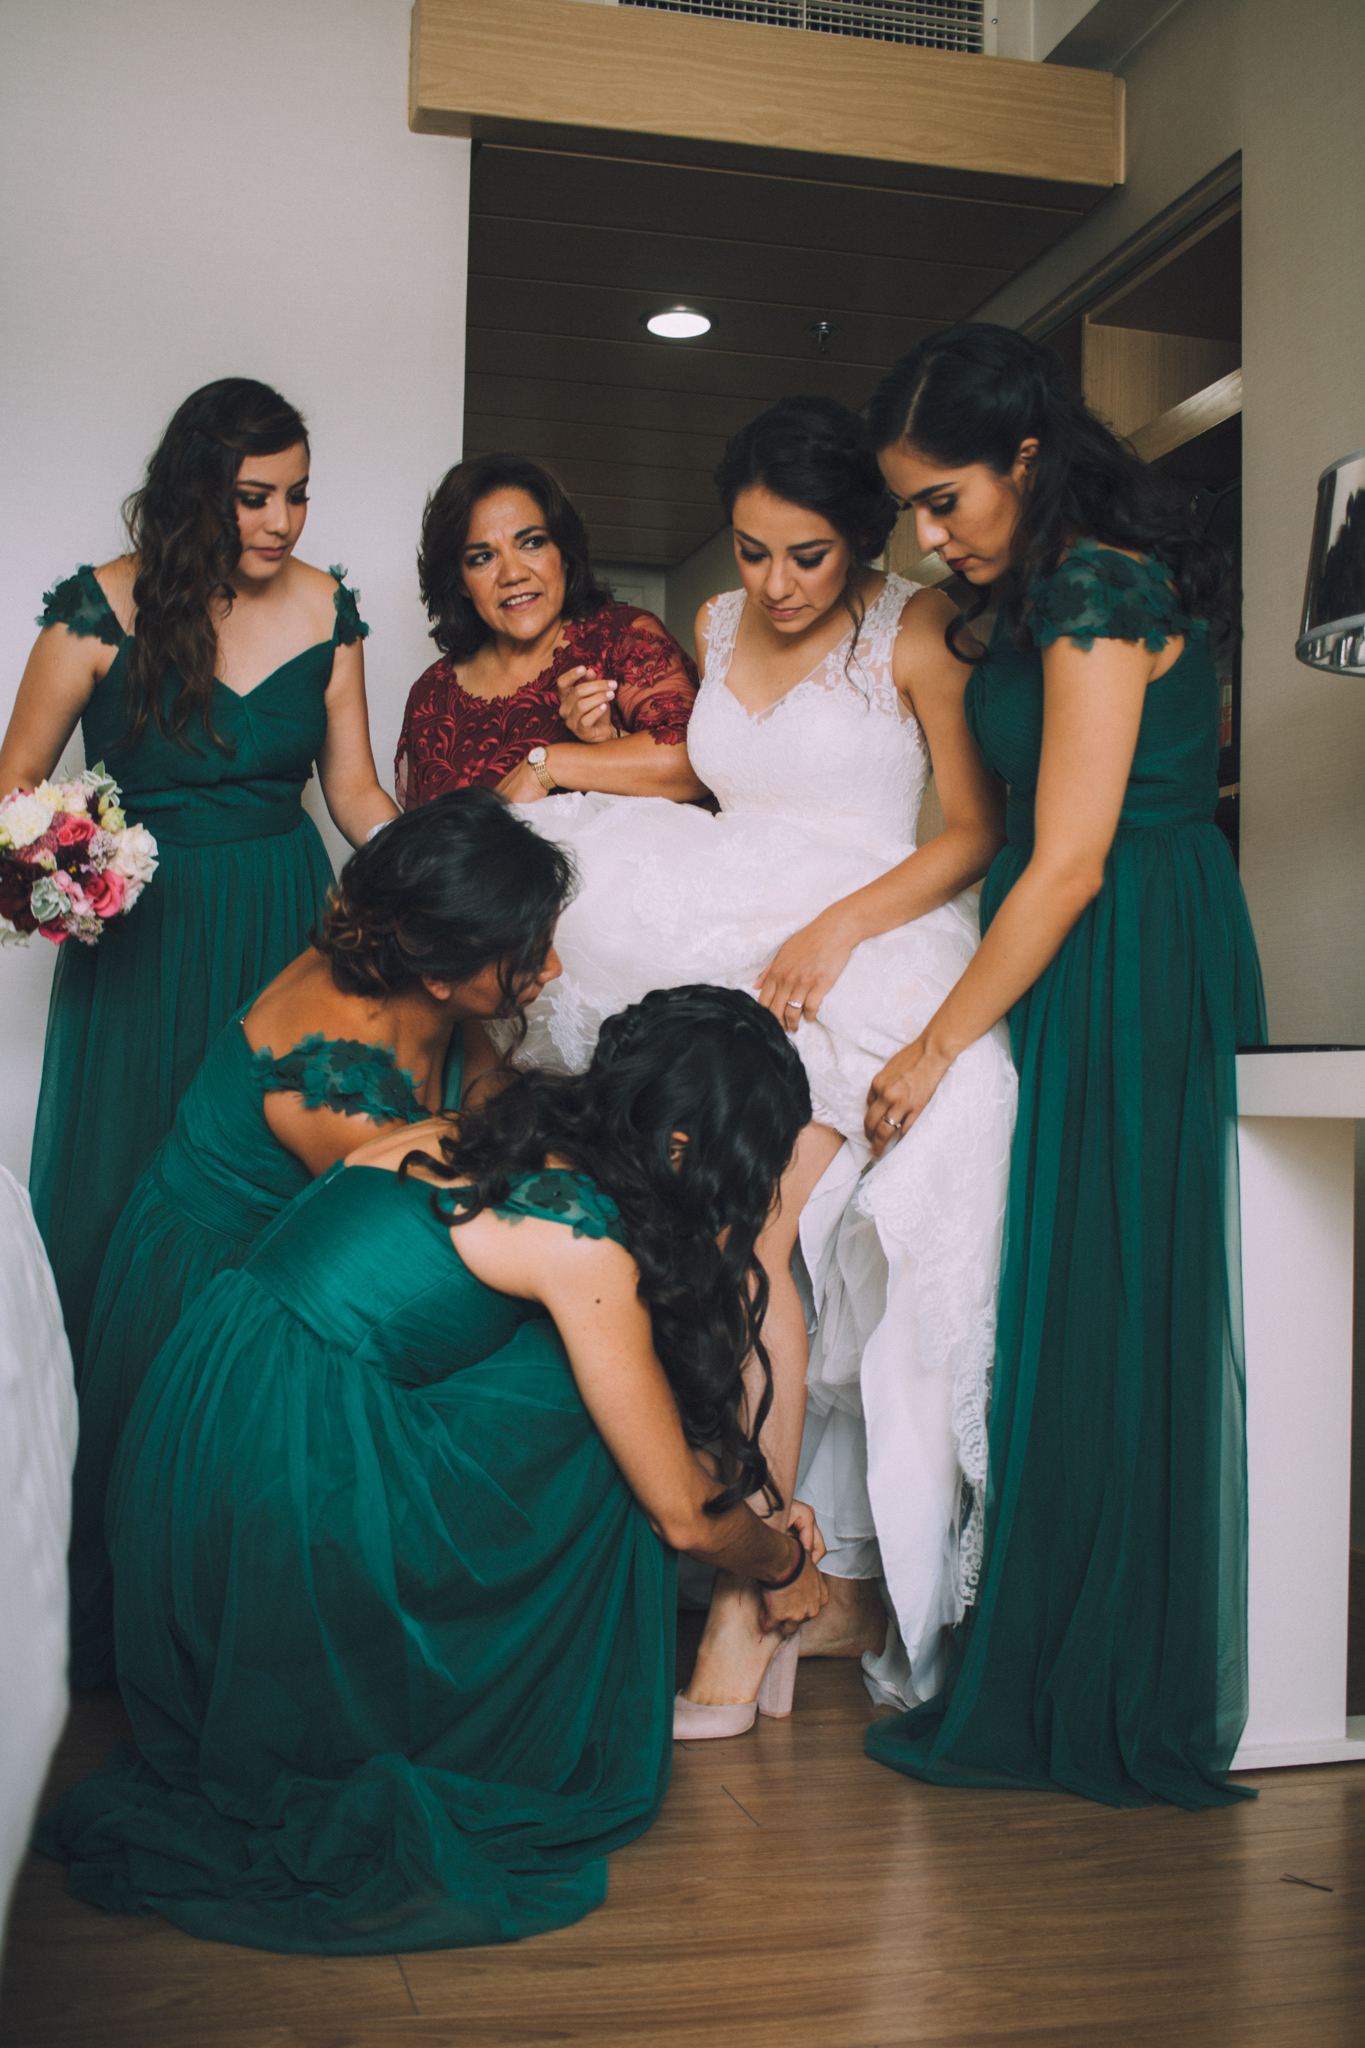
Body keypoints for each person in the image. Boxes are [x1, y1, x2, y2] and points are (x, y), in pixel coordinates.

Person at [33, 987, 827, 1954]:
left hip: (193, 1446)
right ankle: (509, 1716)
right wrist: (782, 1562)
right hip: (281, 1492)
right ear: (680, 1149)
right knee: (599, 1433)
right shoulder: (579, 1240)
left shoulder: (469, 1128)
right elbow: (684, 1516)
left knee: (598, 1392)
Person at [509, 396, 1019, 1728]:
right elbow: (706, 776)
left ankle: (754, 1607)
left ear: (862, 537)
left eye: (807, 555)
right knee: (667, 1213)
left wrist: (838, 928)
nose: (774, 584)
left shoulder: (917, 628)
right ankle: (716, 1562)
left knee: (762, 1234)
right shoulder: (720, 621)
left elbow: (971, 829)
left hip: (867, 938)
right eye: (750, 551)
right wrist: (560, 762)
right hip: (724, 922)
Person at [859, 322, 1266, 1810]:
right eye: (911, 507)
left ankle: (1118, 1664)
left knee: (1117, 1281)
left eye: (943, 499)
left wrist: (932, 1043)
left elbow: (1075, 855)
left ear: (1024, 460)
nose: (928, 533)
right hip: (1065, 943)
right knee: (1065, 1279)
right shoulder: (1040, 589)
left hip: (1127, 943)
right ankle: (1057, 1632)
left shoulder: (1097, 585)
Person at [68, 788, 573, 1689]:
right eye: (529, 954)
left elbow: (486, 1093)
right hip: (225, 1288)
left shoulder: (415, 964)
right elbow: (427, 1246)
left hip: (347, 1238)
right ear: (441, 972)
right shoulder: (334, 1080)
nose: (556, 967)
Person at [0, 378, 399, 1371]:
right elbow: (14, 790)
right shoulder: (95, 609)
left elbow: (354, 793)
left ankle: (231, 1419)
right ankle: (115, 1432)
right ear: (195, 489)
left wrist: (444, 877)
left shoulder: (328, 606)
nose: (282, 521)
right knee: (127, 1173)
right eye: (254, 497)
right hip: (146, 935)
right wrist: (77, 868)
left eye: (297, 495)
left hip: (284, 927)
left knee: (269, 1177)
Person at [394, 454, 704, 808]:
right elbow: (421, 833)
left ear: (564, 553)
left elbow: (692, 763)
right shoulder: (430, 694)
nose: (512, 574)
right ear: (461, 582)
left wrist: (546, 766)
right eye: (482, 558)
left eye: (531, 543)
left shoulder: (624, 637)